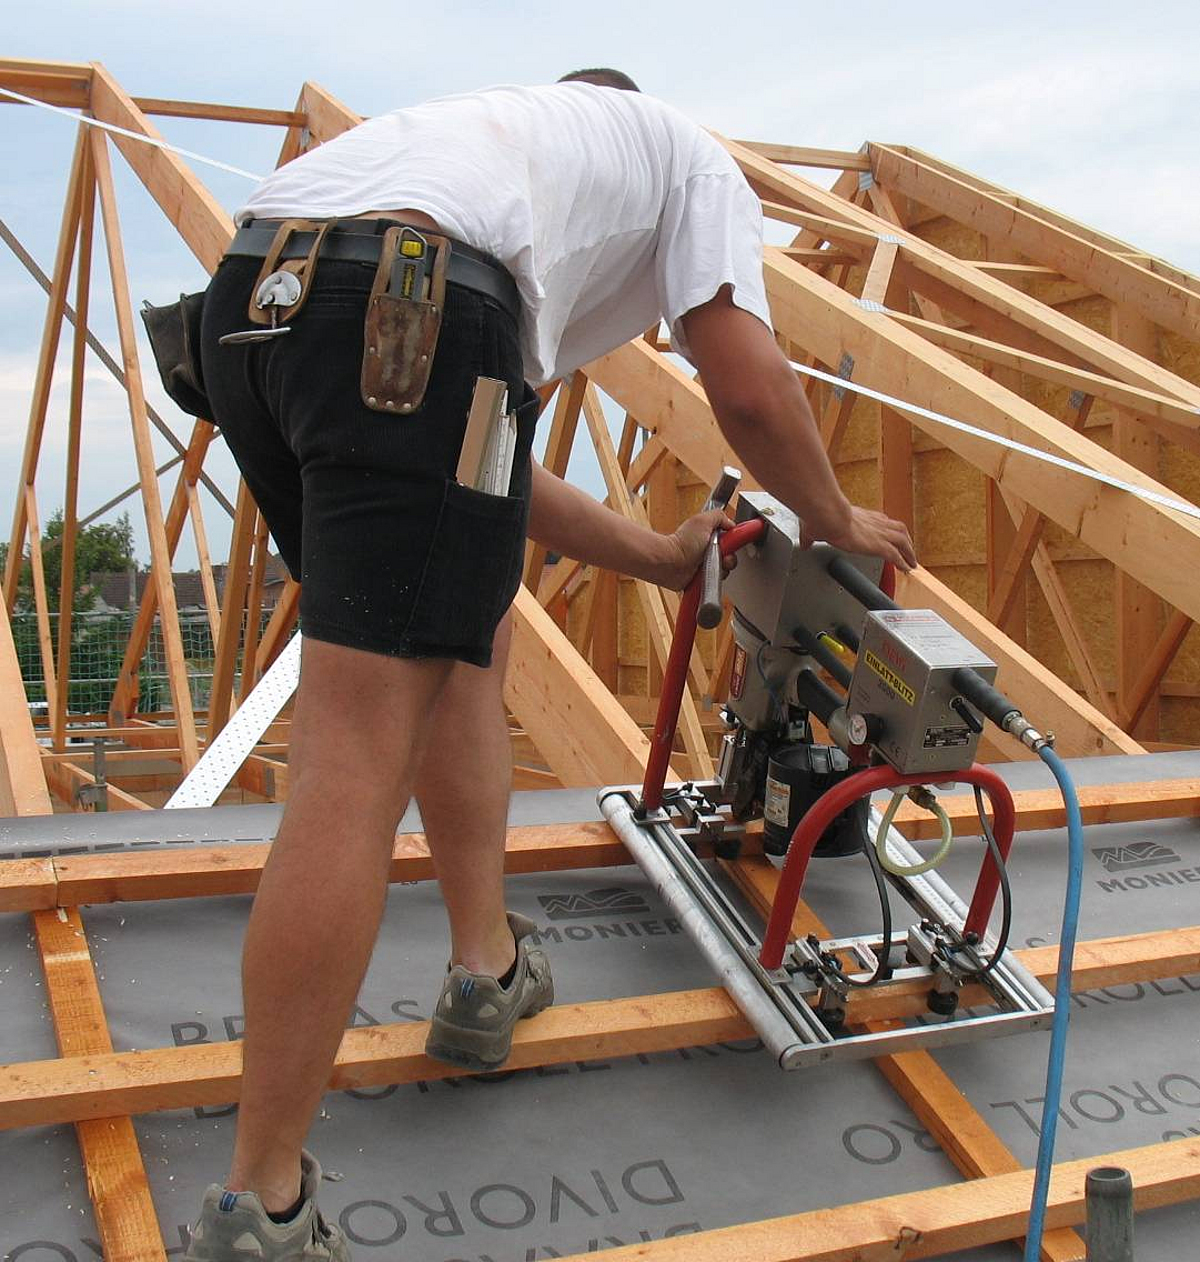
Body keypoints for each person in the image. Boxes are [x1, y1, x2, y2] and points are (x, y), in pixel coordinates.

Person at [185, 68, 917, 1260]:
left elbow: (484, 473)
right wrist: (831, 514)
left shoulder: (480, 158)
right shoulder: (689, 161)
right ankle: (259, 1200)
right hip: (404, 300)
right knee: (354, 754)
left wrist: (660, 559)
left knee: (461, 624)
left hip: (253, 306)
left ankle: (486, 968)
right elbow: (742, 381)